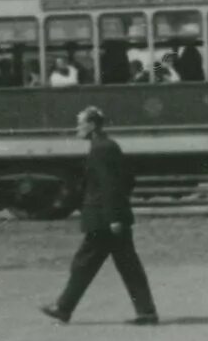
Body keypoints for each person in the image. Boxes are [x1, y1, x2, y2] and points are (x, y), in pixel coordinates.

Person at [41, 106, 159, 326]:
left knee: (84, 263)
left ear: (92, 125)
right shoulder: (107, 146)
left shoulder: (100, 149)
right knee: (126, 266)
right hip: (110, 217)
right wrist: (119, 210)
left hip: (104, 220)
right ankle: (146, 312)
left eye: (80, 123)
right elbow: (127, 180)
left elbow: (108, 185)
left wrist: (113, 216)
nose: (77, 127)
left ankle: (63, 307)